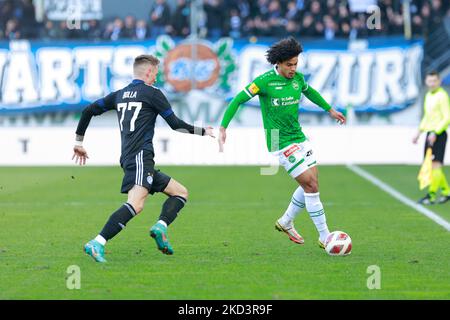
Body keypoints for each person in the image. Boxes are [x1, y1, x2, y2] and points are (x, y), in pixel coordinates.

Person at [73, 54, 215, 262]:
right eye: (155, 73)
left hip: (133, 158)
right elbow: (175, 124)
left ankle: (161, 227)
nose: (156, 78)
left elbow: (88, 111)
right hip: (140, 157)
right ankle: (97, 242)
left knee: (180, 193)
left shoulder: (119, 94)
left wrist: (78, 142)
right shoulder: (152, 93)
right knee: (136, 204)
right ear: (148, 72)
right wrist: (203, 131)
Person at [218, 37, 346, 249]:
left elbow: (309, 91)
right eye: (289, 65)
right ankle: (325, 236)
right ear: (278, 63)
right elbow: (238, 99)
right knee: (311, 185)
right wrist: (223, 126)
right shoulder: (264, 81)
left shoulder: (298, 79)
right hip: (279, 139)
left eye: (296, 64)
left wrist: (330, 110)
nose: (293, 69)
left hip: (299, 136)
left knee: (312, 181)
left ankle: (286, 221)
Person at [413, 71, 450, 205]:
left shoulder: (442, 96)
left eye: (434, 81)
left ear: (439, 81)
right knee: (432, 165)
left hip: (438, 134)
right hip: (430, 134)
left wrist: (436, 132)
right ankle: (446, 191)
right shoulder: (428, 95)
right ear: (426, 82)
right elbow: (427, 117)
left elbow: (447, 117)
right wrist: (419, 132)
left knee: (435, 165)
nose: (432, 83)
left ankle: (432, 195)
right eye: (429, 81)